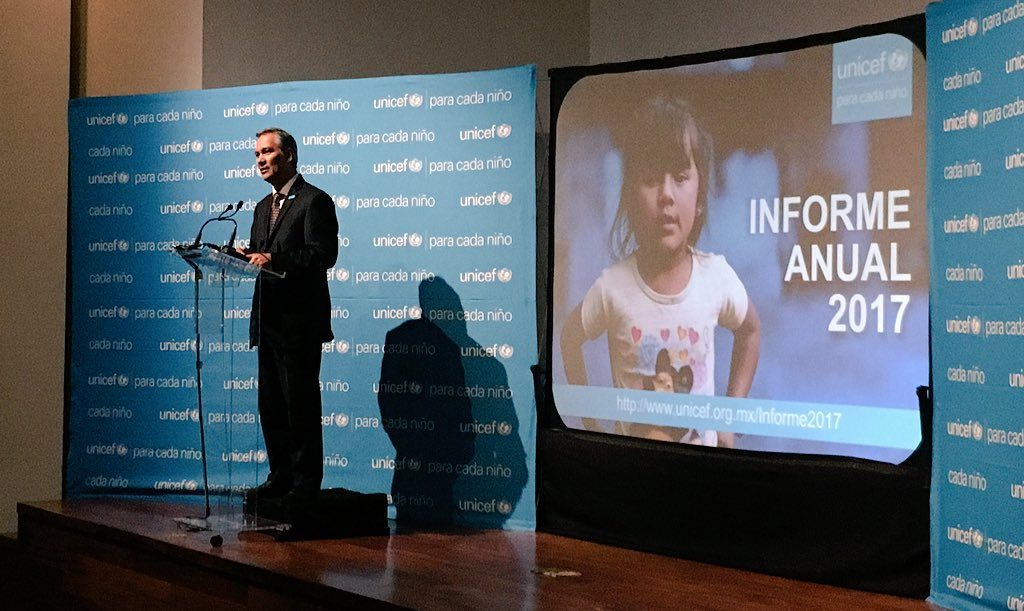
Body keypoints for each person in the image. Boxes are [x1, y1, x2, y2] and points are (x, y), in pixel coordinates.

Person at [560, 93, 760, 447]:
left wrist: (731, 417)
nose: (666, 194)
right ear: (629, 198)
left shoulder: (716, 277)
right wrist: (590, 422)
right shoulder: (612, 288)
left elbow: (751, 331)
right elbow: (569, 338)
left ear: (700, 199)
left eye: (681, 177)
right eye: (651, 178)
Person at [243, 127, 339, 504]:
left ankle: (304, 483)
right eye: (257, 154)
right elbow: (258, 254)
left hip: (299, 325)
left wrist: (273, 259)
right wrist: (240, 257)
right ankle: (280, 475)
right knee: (271, 406)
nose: (261, 160)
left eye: (267, 152)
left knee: (299, 406)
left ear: (290, 156)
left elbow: (322, 255)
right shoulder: (261, 208)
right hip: (267, 321)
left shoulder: (314, 201)